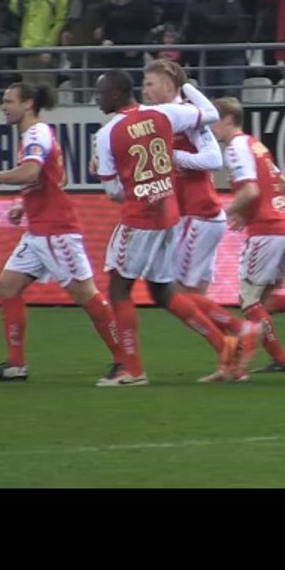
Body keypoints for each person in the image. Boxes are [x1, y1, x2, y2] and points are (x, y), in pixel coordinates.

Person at [93, 69, 240, 386]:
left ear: (117, 94)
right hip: (170, 212)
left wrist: (131, 183)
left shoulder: (107, 134)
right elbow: (211, 113)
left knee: (119, 287)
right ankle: (223, 343)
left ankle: (132, 369)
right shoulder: (165, 114)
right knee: (161, 289)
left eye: (100, 92)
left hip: (139, 215)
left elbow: (113, 192)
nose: (96, 98)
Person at [0, 83, 125, 383]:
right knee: (7, 287)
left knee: (86, 295)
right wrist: (23, 205)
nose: (3, 107)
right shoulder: (36, 134)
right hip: (38, 230)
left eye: (8, 101)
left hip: (56, 231)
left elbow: (30, 172)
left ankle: (125, 360)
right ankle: (15, 365)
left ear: (28, 104)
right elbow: (55, 177)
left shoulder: (36, 134)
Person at [138, 59, 260, 383]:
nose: (145, 90)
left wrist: (175, 158)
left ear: (168, 85)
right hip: (191, 216)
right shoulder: (160, 118)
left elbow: (213, 159)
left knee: (175, 292)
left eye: (151, 84)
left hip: (198, 214)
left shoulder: (190, 118)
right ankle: (230, 363)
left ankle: (240, 330)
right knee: (193, 297)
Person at [208, 97, 285, 373]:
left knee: (249, 300)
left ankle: (274, 358)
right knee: (265, 300)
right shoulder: (255, 145)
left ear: (228, 120)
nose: (211, 129)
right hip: (283, 228)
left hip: (266, 231)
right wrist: (247, 213)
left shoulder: (235, 148)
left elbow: (251, 191)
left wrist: (227, 212)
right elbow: (282, 184)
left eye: (214, 122)